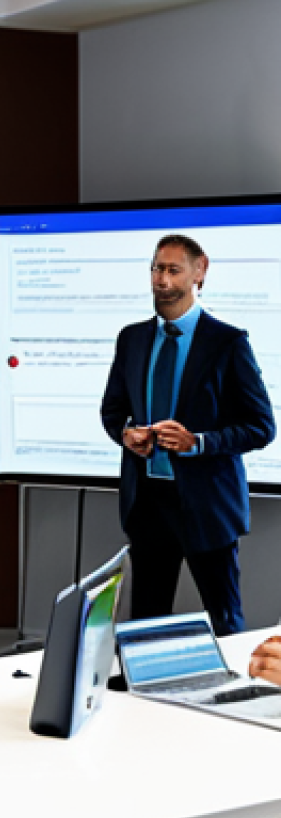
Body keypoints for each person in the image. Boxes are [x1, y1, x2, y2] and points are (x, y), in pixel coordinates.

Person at [100, 234, 275, 635]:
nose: (161, 280)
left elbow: (262, 427)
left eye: (173, 270)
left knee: (225, 620)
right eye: (156, 269)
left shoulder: (228, 342)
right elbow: (112, 410)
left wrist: (197, 443)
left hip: (207, 507)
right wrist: (126, 434)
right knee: (145, 624)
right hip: (147, 505)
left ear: (199, 273)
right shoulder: (132, 339)